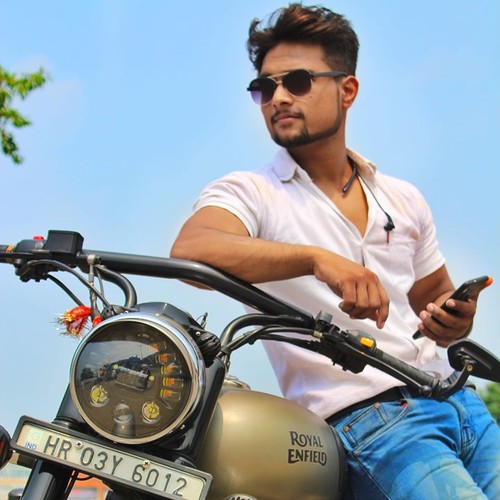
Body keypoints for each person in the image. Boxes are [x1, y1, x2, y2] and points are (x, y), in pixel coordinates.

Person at [171, 3, 499, 498]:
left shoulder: (402, 197)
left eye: (297, 81)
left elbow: (435, 296)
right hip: (372, 420)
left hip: (461, 401)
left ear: (348, 90)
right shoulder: (251, 191)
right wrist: (316, 259)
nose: (278, 97)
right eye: (264, 87)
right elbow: (191, 251)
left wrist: (454, 319)